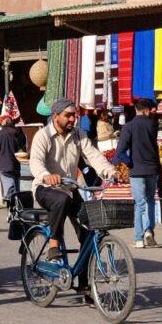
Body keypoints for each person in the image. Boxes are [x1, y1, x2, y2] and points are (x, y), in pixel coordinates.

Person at [30, 98, 116, 269]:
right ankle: (54, 244)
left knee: (88, 231)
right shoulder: (43, 136)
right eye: (67, 115)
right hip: (46, 188)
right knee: (61, 200)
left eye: (74, 116)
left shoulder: (78, 134)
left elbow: (93, 155)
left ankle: (85, 284)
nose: (72, 119)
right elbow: (36, 161)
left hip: (70, 188)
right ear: (55, 116)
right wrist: (46, 175)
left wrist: (109, 171)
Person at [114, 98, 162, 249]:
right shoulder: (153, 125)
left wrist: (129, 163)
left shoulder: (129, 127)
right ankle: (149, 231)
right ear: (147, 110)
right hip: (152, 168)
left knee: (139, 203)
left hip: (137, 170)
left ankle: (139, 238)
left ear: (137, 110)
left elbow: (120, 151)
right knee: (150, 201)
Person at [0, 115, 26, 200]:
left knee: (9, 187)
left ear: (2, 123)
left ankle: (11, 204)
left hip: (3, 164)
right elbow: (24, 147)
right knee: (16, 186)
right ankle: (18, 204)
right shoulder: (18, 133)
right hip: (16, 163)